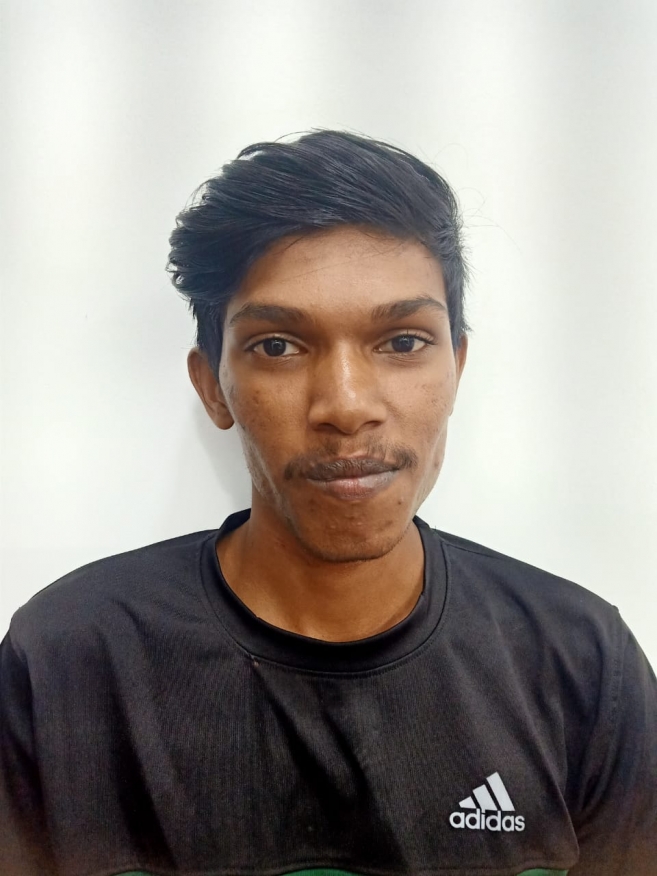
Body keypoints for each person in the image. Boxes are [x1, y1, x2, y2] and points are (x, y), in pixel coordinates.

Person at [1, 130, 655, 876]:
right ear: (212, 386)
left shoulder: (579, 664)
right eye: (278, 346)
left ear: (457, 366)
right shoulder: (66, 661)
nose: (345, 406)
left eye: (402, 342)